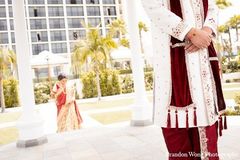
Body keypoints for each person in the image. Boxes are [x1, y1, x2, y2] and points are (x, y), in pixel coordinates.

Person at [141, 0, 226, 159]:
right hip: (172, 74)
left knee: (209, 146)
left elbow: (212, 8)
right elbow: (152, 7)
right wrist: (191, 33)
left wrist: (205, 33)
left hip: (203, 69)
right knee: (179, 148)